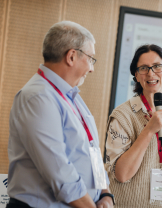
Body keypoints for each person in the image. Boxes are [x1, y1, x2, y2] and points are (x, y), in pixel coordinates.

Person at [7, 21, 114, 208]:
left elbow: (92, 152)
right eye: (90, 59)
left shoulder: (72, 96)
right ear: (71, 56)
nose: (92, 68)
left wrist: (105, 194)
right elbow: (60, 173)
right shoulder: (38, 97)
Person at [105, 44, 162, 208]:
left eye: (157, 66)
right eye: (143, 68)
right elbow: (121, 174)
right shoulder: (122, 115)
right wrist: (149, 130)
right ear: (136, 75)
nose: (150, 73)